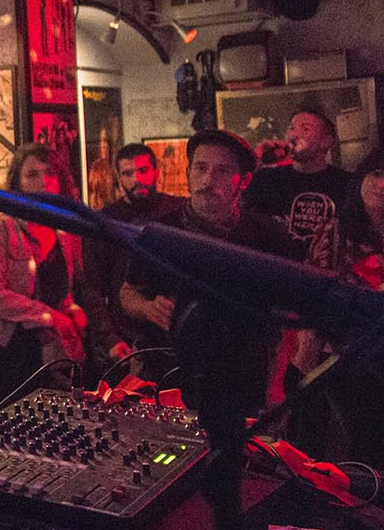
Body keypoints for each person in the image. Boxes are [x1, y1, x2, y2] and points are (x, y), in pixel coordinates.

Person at [121, 129, 293, 413]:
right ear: (188, 172)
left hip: (244, 380)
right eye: (200, 168)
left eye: (222, 171)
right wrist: (148, 308)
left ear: (244, 180)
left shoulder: (269, 237)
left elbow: (288, 319)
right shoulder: (160, 232)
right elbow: (128, 292)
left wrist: (276, 383)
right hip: (169, 378)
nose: (208, 180)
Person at [289, 140, 384, 466]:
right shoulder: (336, 231)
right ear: (362, 175)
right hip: (353, 362)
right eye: (377, 174)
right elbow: (314, 302)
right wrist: (303, 364)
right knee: (368, 449)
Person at [0, 143, 87, 412]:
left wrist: (72, 311)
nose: (43, 182)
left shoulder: (63, 232)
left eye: (50, 173)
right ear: (18, 183)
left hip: (45, 354)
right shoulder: (1, 227)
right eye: (32, 175)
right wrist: (50, 316)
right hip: (4, 353)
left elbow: (60, 292)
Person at [81, 143, 185, 382]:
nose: (137, 179)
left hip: (175, 335)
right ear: (119, 178)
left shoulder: (178, 211)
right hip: (128, 337)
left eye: (143, 170)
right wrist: (110, 340)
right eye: (128, 173)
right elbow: (93, 289)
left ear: (156, 172)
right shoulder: (105, 222)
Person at [244, 108, 354, 268]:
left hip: (323, 276)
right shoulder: (266, 178)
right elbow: (235, 210)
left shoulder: (347, 184)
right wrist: (255, 162)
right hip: (273, 272)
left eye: (305, 129)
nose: (294, 135)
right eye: (292, 128)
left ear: (326, 142)